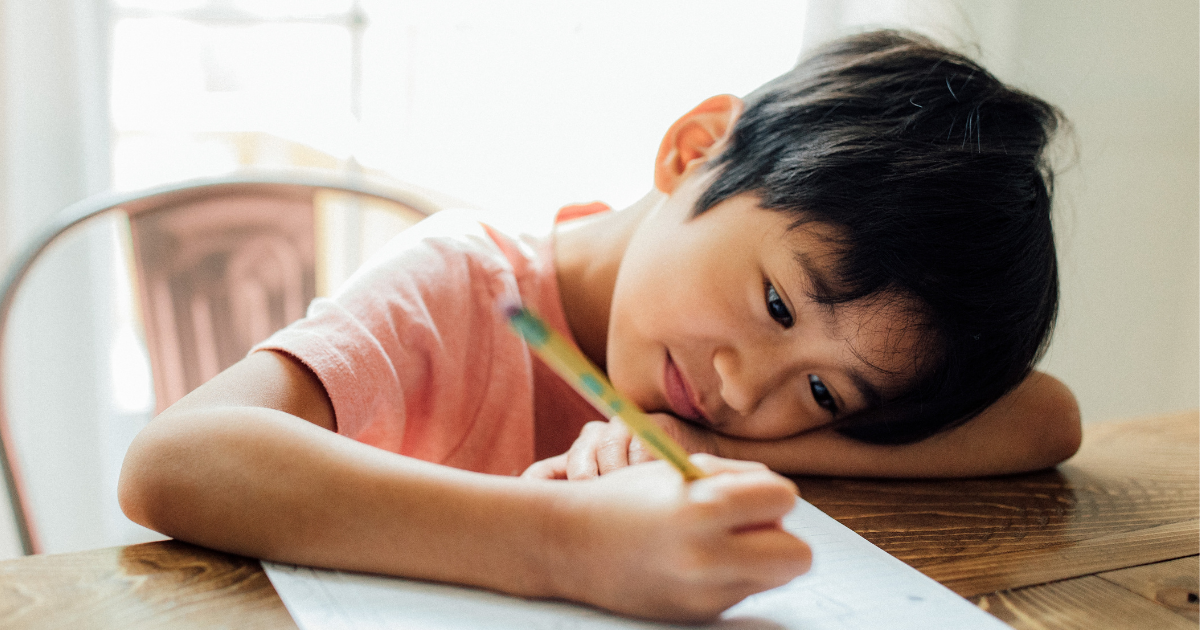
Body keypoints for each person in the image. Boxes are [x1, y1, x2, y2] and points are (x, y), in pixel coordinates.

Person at [119, 30, 1081, 623]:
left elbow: (1046, 419)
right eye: (779, 304)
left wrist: (704, 441)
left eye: (825, 393)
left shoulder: (725, 412)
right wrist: (567, 543)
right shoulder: (462, 286)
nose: (750, 391)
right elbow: (176, 459)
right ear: (696, 148)